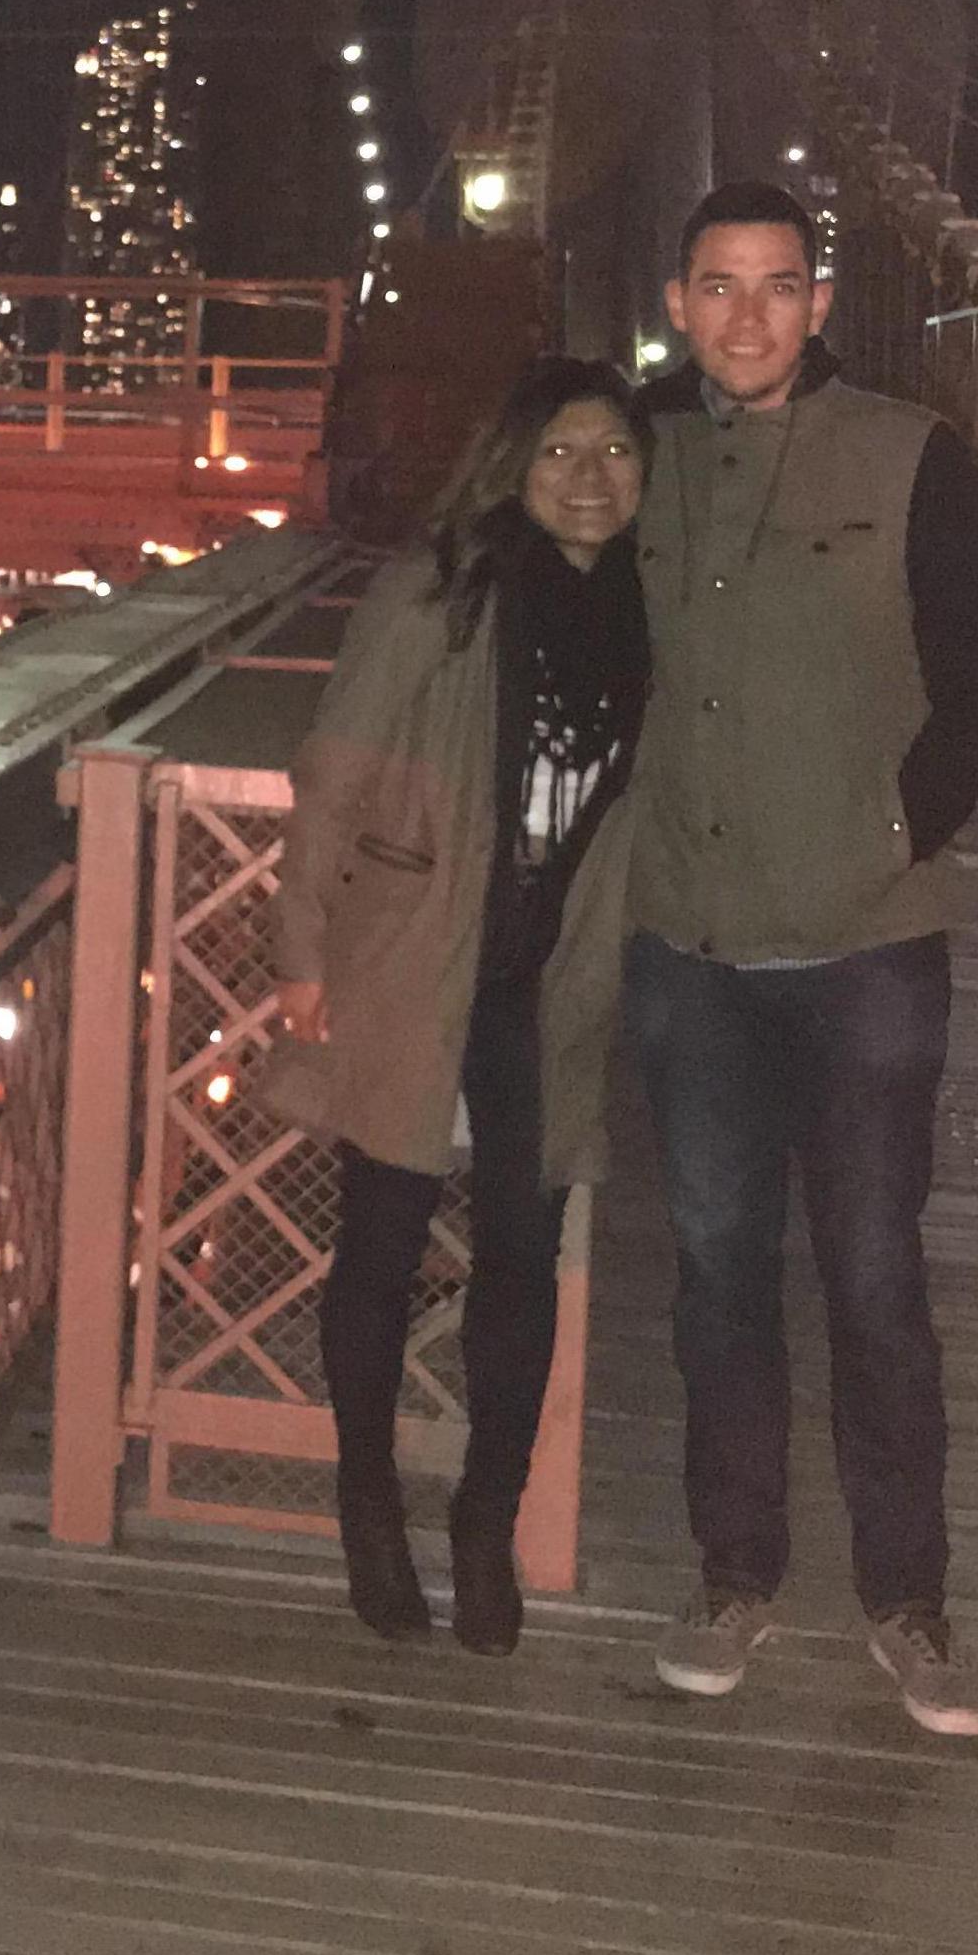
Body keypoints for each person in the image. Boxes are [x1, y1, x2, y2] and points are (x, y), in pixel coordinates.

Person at [629, 180, 978, 1734]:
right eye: (716, 286)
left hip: (866, 945)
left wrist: (891, 826)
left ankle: (909, 1604)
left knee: (871, 1275)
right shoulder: (629, 462)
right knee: (719, 1275)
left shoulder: (915, 459)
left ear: (817, 297)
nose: (745, 317)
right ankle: (735, 1576)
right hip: (690, 946)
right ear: (676, 301)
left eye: (775, 286)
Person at [275, 357, 650, 1652]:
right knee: (378, 1244)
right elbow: (331, 771)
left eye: (612, 452)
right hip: (414, 960)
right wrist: (299, 953)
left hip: (551, 979)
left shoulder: (651, 614)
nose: (588, 476)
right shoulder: (437, 591)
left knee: (520, 1259)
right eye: (558, 452)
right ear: (509, 463)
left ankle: (484, 1516)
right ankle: (368, 1502)